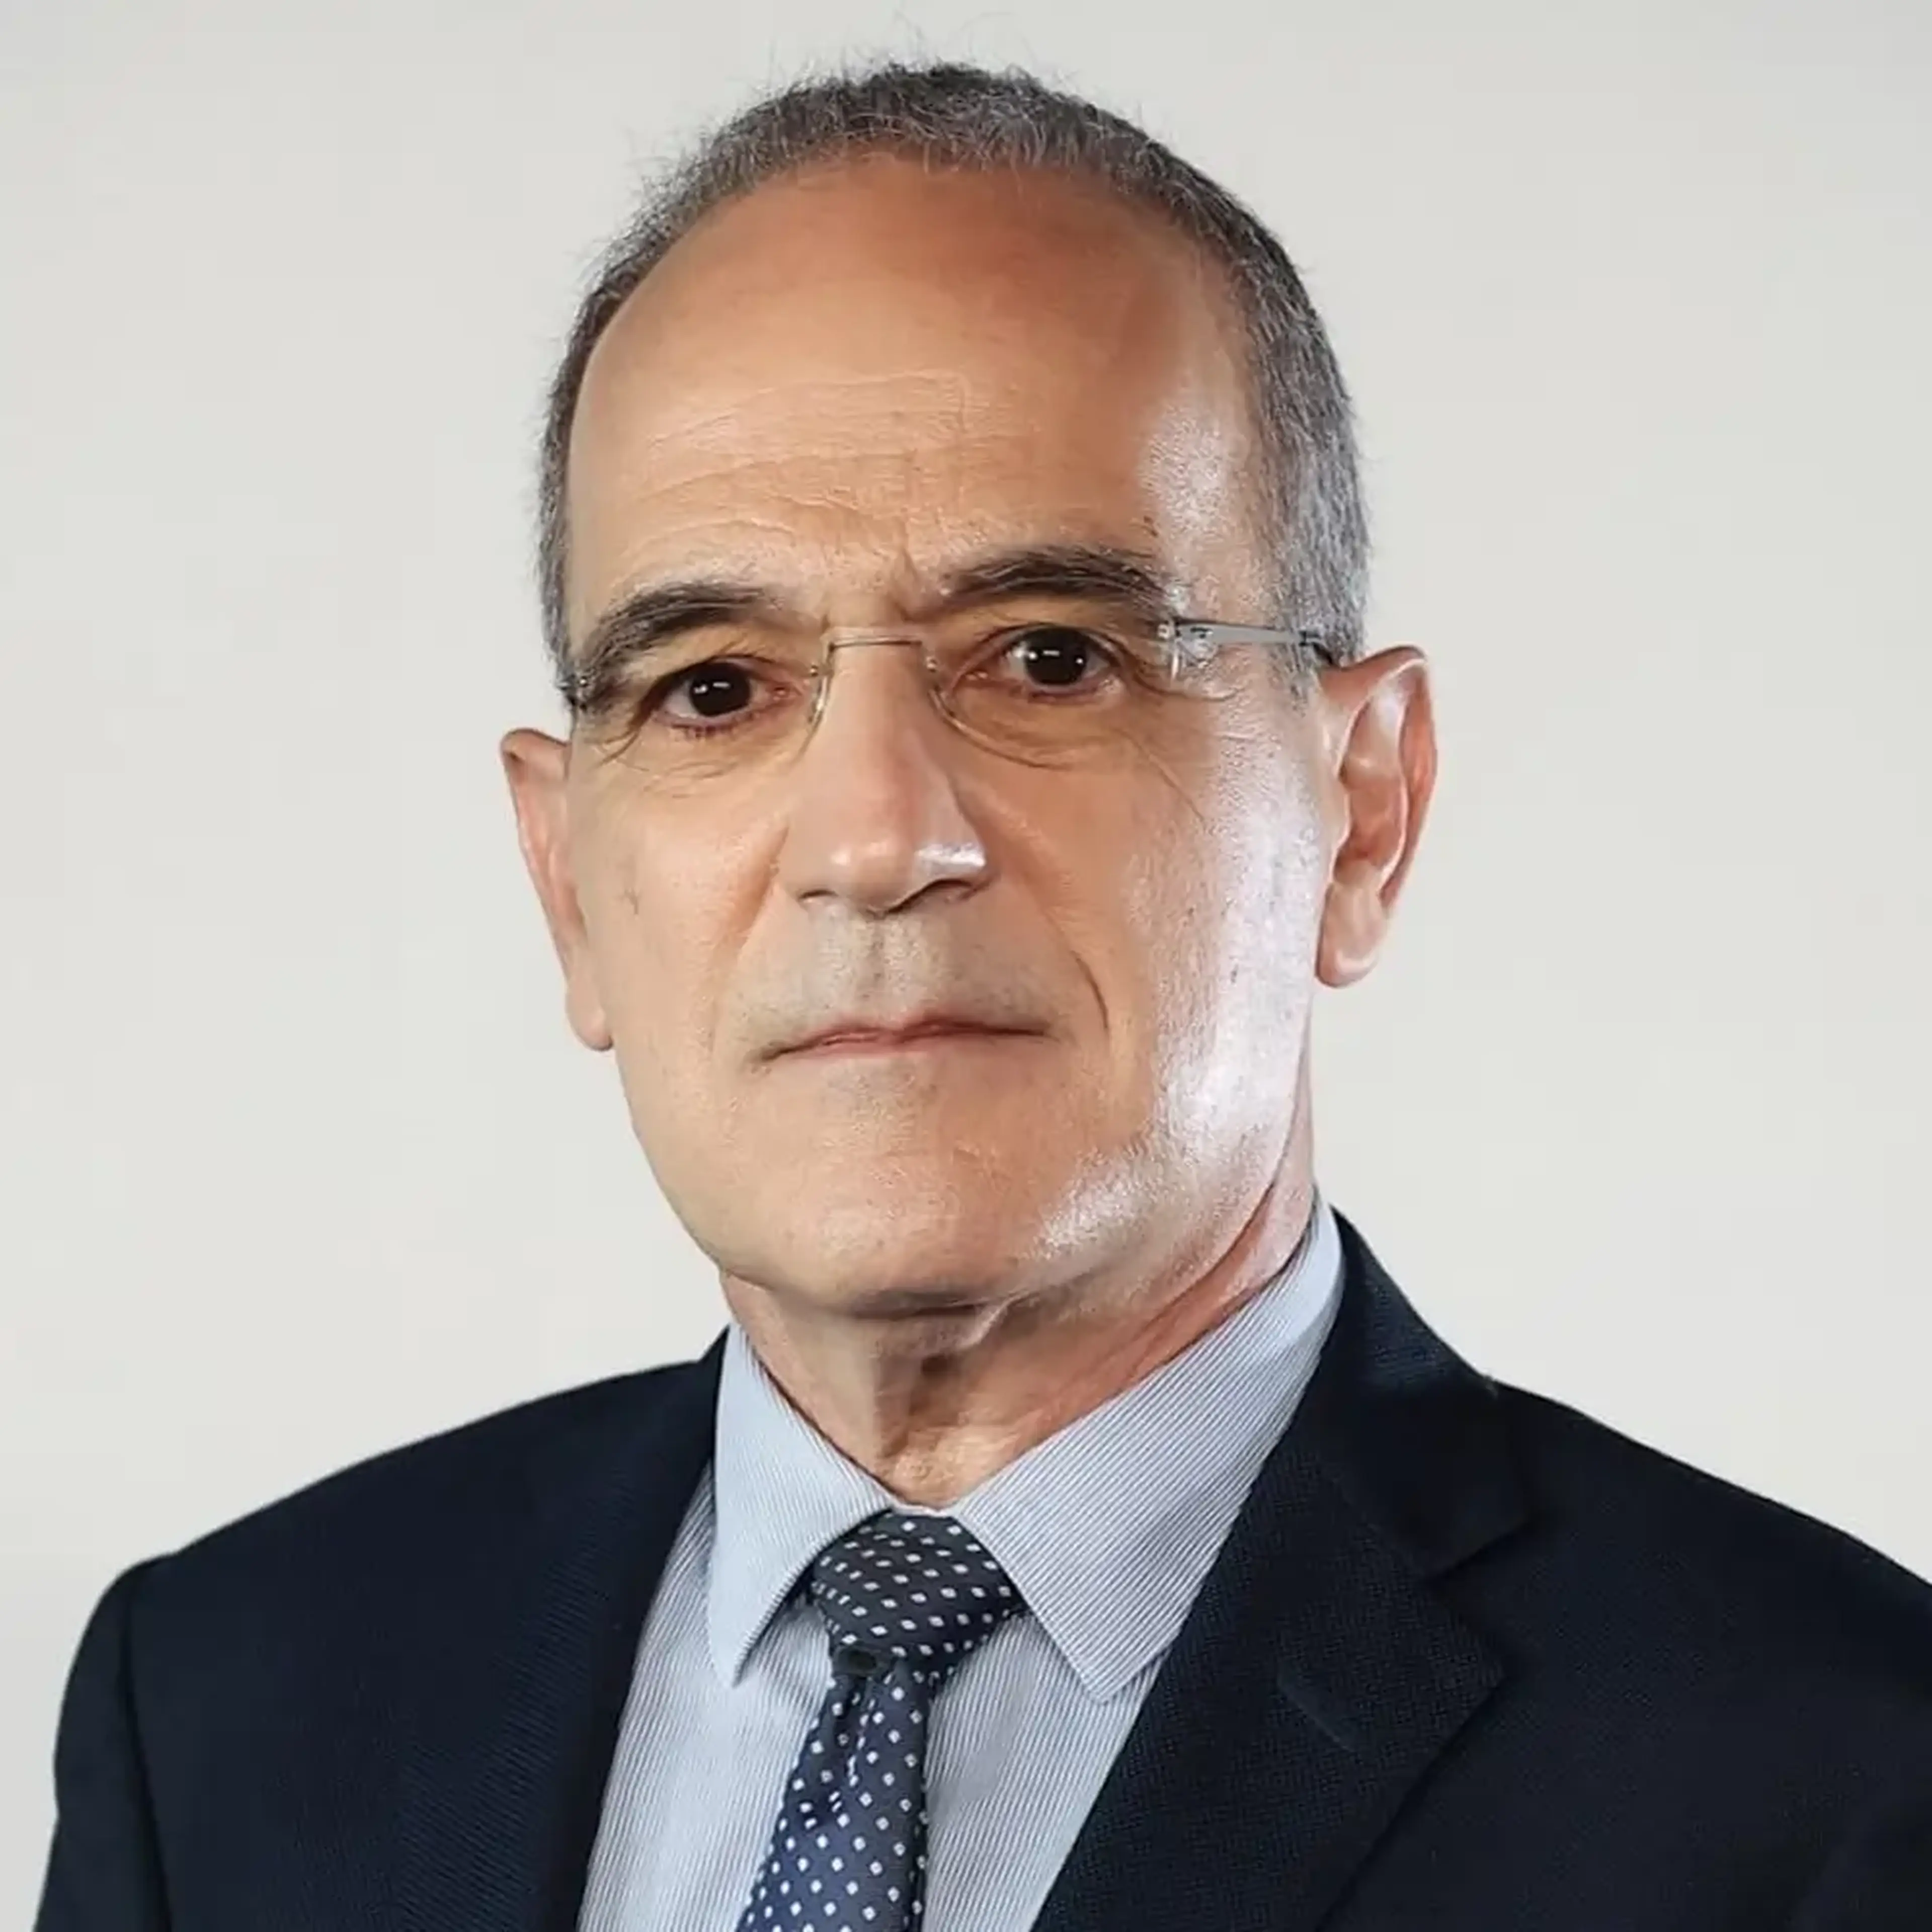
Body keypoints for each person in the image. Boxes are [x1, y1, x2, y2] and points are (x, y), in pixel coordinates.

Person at [34, 58, 1932, 1932]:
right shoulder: (223, 1710)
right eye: (713, 686)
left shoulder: (1835, 1784)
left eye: (1048, 658)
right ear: (568, 886)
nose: (873, 838)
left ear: (1363, 812)